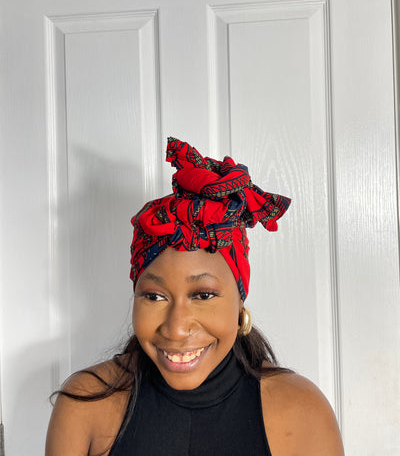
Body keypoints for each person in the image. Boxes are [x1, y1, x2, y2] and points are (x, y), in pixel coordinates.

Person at [46, 137, 344, 456]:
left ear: (239, 301)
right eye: (155, 297)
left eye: (203, 295)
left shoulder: (303, 413)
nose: (176, 328)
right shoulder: (85, 405)